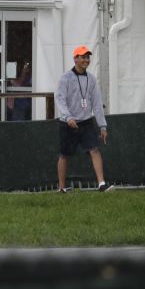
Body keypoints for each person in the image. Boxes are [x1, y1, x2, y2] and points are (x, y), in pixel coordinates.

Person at [56, 45, 112, 193]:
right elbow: (60, 99)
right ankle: (61, 188)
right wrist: (68, 117)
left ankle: (102, 184)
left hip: (86, 122)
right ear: (75, 59)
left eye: (87, 57)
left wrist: (102, 126)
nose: (86, 60)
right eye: (83, 57)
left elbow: (97, 104)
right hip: (68, 123)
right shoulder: (65, 78)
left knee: (95, 150)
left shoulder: (92, 79)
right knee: (64, 155)